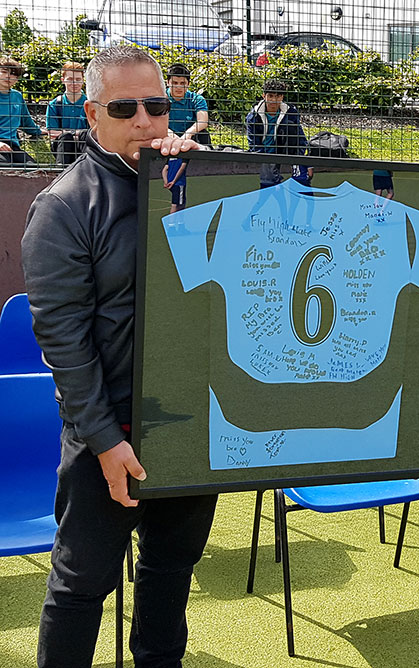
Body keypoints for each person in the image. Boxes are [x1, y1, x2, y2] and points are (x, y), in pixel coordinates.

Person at [20, 45, 218, 668]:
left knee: (170, 571)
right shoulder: (64, 207)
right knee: (80, 587)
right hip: (110, 434)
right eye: (125, 107)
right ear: (92, 113)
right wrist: (105, 442)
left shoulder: (194, 182)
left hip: (191, 427)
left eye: (157, 106)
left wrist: (216, 177)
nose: (144, 121)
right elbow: (63, 343)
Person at [246, 79, 311, 189]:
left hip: (287, 152)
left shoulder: (291, 112)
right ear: (264, 96)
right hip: (265, 154)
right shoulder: (253, 116)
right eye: (270, 96)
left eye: (277, 96)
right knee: (268, 184)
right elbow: (254, 144)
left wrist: (303, 161)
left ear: (282, 97)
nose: (273, 100)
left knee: (302, 180)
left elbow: (300, 137)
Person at [0, 56, 43, 166]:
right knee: (5, 170)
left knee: (33, 169)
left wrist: (40, 131)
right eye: (4, 72)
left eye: (14, 74)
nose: (9, 76)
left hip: (13, 146)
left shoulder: (17, 96)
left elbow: (26, 121)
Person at [45, 61, 89, 165]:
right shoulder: (55, 104)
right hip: (62, 147)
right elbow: (52, 133)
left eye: (78, 79)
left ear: (83, 81)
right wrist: (74, 133)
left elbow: (94, 132)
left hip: (83, 146)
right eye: (70, 79)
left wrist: (68, 132)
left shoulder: (90, 103)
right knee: (66, 138)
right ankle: (60, 172)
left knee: (84, 136)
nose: (74, 83)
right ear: (62, 80)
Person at [165, 63, 210, 145]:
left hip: (190, 138)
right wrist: (172, 136)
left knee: (203, 134)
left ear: (188, 84)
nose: (179, 87)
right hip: (165, 136)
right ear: (168, 83)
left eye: (182, 83)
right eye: (175, 83)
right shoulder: (161, 98)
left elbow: (203, 122)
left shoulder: (197, 99)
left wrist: (187, 135)